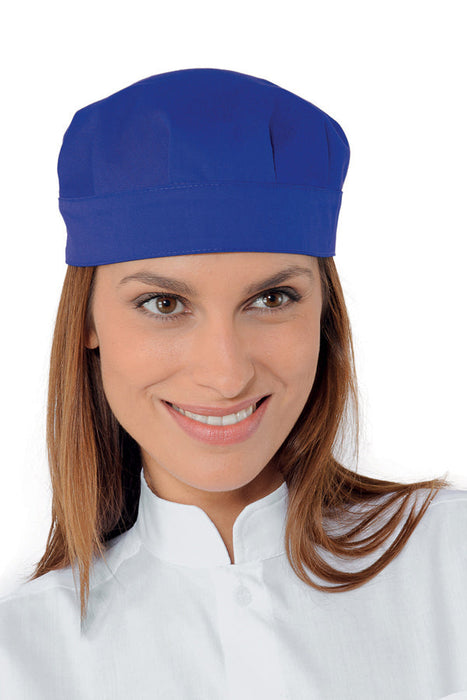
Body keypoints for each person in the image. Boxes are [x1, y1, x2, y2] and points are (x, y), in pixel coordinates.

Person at [1, 67, 466, 700]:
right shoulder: (19, 656)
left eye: (272, 298)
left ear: (324, 311)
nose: (226, 374)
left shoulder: (452, 567)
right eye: (164, 304)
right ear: (87, 321)